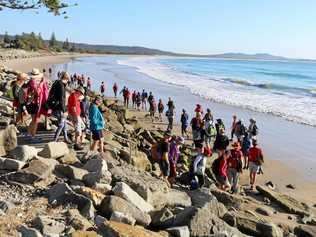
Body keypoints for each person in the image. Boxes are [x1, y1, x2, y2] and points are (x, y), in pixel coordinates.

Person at [26, 68, 49, 142]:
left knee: (33, 120)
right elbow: (37, 92)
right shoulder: (33, 83)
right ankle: (32, 136)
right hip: (34, 104)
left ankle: (29, 134)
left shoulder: (30, 82)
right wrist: (42, 84)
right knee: (36, 120)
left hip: (30, 103)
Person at [47, 71, 70, 143]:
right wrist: (64, 109)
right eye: (68, 80)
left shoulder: (56, 82)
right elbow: (61, 98)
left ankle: (66, 138)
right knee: (61, 124)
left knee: (64, 122)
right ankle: (54, 140)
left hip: (53, 105)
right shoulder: (61, 85)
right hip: (58, 107)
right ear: (66, 79)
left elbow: (51, 93)